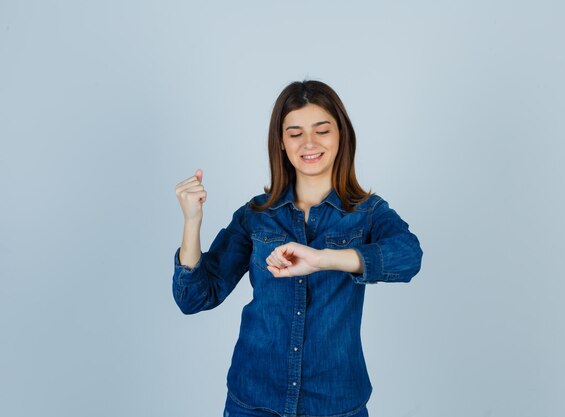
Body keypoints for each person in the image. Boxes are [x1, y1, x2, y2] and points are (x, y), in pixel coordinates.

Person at [172, 80, 424, 417]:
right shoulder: (256, 216)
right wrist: (192, 222)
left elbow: (409, 255)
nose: (309, 143)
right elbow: (194, 298)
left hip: (335, 403)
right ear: (281, 143)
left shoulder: (367, 212)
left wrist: (322, 259)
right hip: (254, 400)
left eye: (322, 130)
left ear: (341, 135)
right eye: (295, 133)